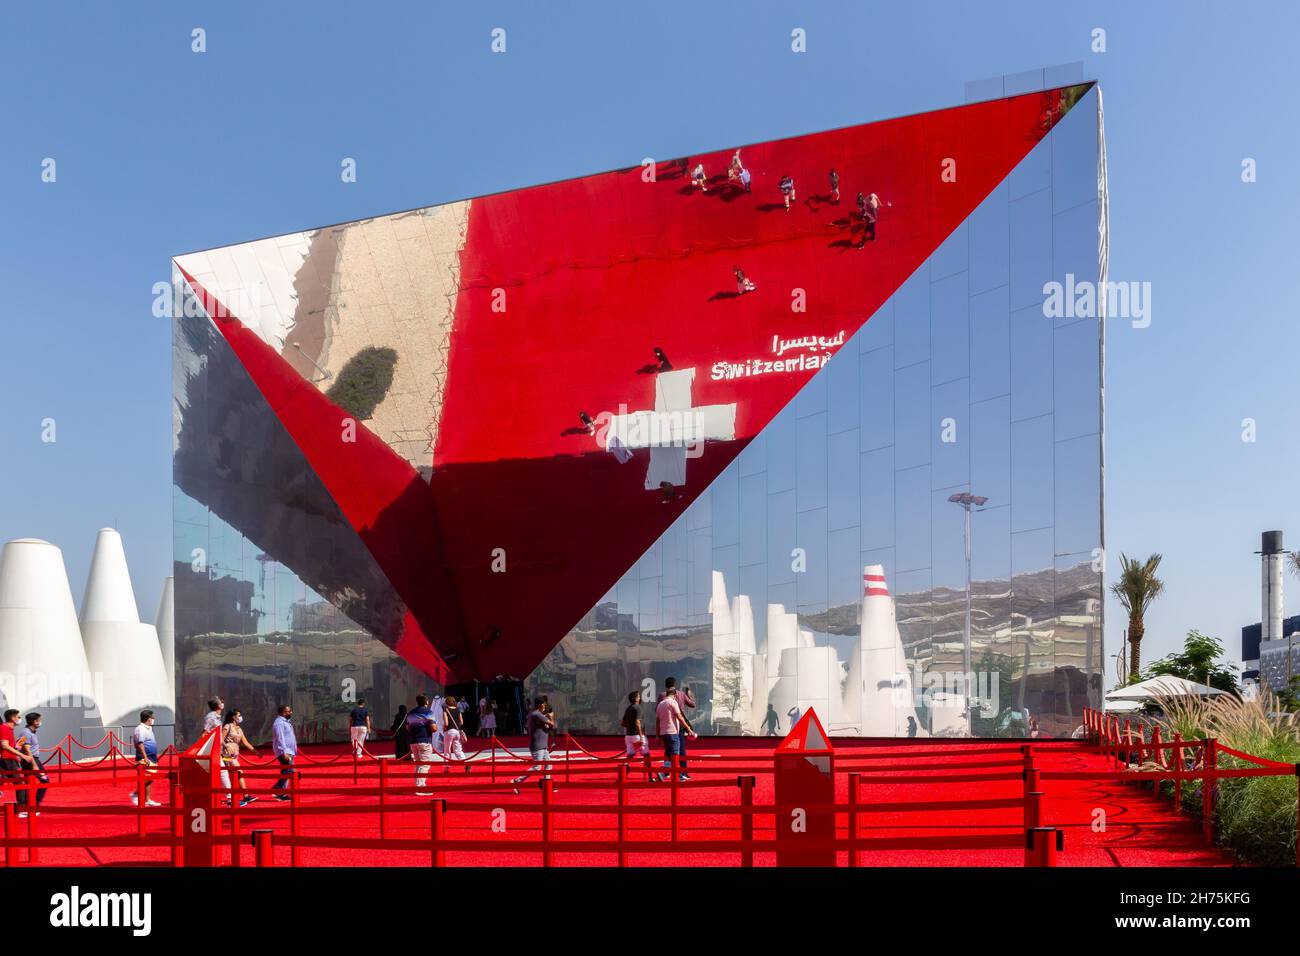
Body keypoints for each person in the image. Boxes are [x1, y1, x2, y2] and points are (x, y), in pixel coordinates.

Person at [511, 698, 556, 793]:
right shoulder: (537, 714)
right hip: (537, 746)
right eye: (544, 704)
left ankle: (546, 785)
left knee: (548, 764)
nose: (545, 706)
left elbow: (547, 728)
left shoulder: (536, 715)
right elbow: (552, 724)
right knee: (537, 767)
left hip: (542, 745)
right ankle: (516, 781)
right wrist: (551, 716)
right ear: (540, 705)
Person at [655, 679, 696, 782]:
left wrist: (657, 734)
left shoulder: (661, 697)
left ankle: (666, 773)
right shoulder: (680, 694)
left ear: (665, 685)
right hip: (677, 727)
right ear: (675, 685)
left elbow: (658, 716)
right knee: (679, 751)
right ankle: (682, 773)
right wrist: (690, 695)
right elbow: (692, 705)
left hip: (664, 730)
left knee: (668, 752)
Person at [221, 709, 258, 806]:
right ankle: (244, 796)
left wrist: (255, 751)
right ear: (233, 717)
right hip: (227, 755)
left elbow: (245, 742)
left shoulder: (239, 729)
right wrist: (226, 746)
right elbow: (220, 739)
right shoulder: (227, 726)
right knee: (239, 772)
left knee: (231, 775)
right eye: (239, 715)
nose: (240, 717)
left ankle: (232, 798)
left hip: (235, 755)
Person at [0, 709, 37, 807]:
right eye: (18, 717)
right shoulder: (4, 728)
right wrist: (22, 755)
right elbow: (4, 745)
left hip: (10, 759)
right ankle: (22, 808)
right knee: (20, 784)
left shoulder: (9, 729)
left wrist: (18, 751)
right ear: (12, 718)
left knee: (16, 783)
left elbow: (9, 746)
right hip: (7, 759)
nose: (20, 719)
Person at [14, 713, 50, 814]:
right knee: (45, 780)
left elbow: (18, 746)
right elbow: (26, 749)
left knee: (29, 784)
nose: (40, 722)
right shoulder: (26, 732)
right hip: (31, 760)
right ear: (34, 721)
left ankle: (28, 806)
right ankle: (34, 805)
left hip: (30, 760)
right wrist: (34, 764)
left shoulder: (29, 732)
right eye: (39, 720)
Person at [129, 709, 162, 808]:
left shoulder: (149, 728)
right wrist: (145, 757)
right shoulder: (140, 729)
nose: (154, 719)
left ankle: (148, 800)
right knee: (147, 777)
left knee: (150, 778)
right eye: (152, 717)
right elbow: (140, 744)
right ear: (148, 719)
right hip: (144, 758)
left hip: (152, 757)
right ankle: (136, 793)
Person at [407, 695, 437, 795]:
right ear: (426, 702)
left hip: (413, 741)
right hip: (424, 739)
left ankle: (418, 785)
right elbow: (433, 728)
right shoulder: (429, 712)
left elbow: (408, 727)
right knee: (424, 764)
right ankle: (420, 788)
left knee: (418, 764)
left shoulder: (411, 713)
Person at [271, 704, 297, 800]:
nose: (291, 712)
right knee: (290, 770)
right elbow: (280, 738)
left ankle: (281, 794)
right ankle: (278, 788)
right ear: (282, 712)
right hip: (284, 751)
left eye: (290, 711)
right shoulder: (279, 723)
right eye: (288, 711)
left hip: (289, 750)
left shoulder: (286, 722)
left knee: (285, 771)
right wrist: (284, 751)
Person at [621, 691, 649, 759]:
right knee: (646, 755)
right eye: (639, 696)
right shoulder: (638, 708)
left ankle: (625, 769)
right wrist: (641, 736)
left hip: (628, 736)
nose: (640, 698)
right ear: (636, 699)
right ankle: (648, 769)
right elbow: (637, 722)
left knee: (630, 756)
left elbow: (622, 723)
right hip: (637, 736)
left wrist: (630, 727)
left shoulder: (628, 709)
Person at [442, 697, 466, 761]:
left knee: (447, 749)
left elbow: (446, 723)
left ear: (446, 702)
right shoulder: (458, 710)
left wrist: (444, 728)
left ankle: (447, 766)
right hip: (457, 731)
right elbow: (461, 722)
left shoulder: (445, 710)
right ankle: (464, 761)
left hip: (449, 731)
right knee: (458, 748)